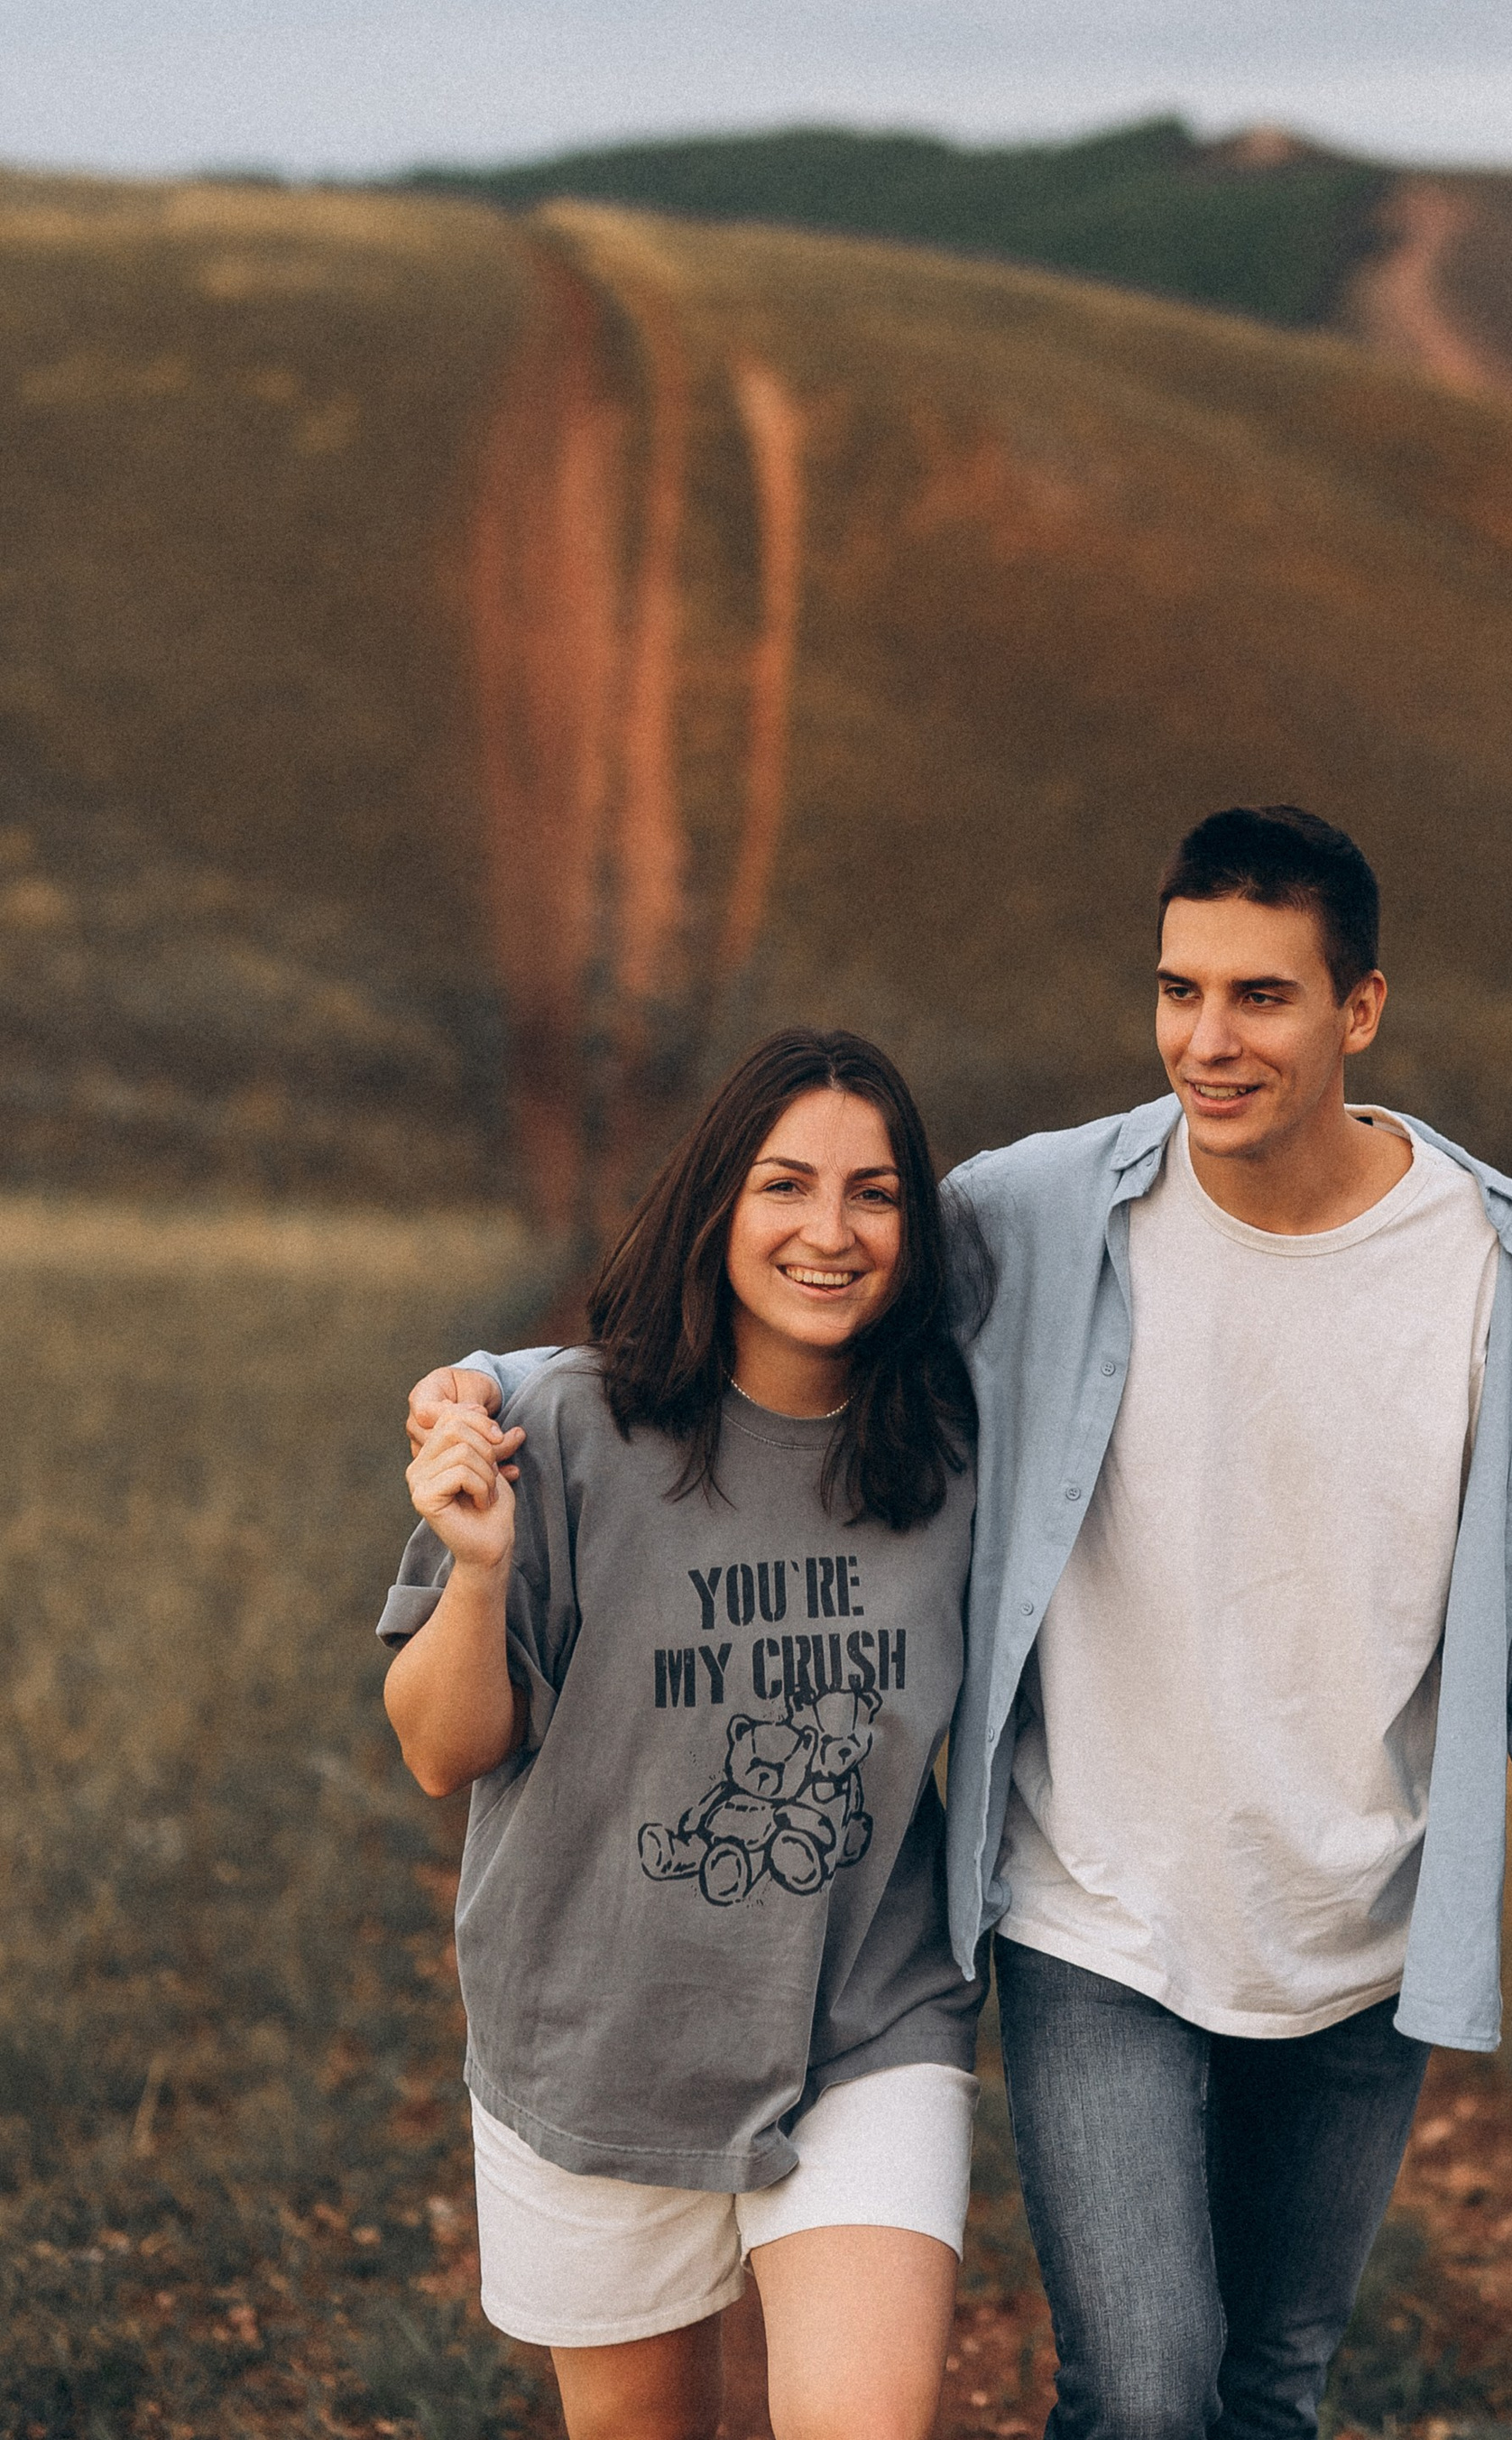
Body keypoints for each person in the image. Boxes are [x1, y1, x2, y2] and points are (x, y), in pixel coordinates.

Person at [415, 805, 1512, 2440]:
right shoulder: (1055, 1211)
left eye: (1261, 998)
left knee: (1268, 2389)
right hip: (1098, 1914)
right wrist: (493, 1386)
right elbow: (795, 1274)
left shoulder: (1487, 1269)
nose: (1208, 1043)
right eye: (1178, 989)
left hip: (1357, 1928)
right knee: (1143, 2391)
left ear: (1360, 1010)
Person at [381, 1028, 984, 2440]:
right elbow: (436, 1748)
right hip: (594, 2039)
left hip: (863, 2017)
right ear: (718, 1203)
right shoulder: (567, 1427)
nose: (828, 1233)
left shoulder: (954, 1448)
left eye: (876, 1194)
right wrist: (475, 1566)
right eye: (786, 1186)